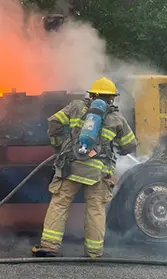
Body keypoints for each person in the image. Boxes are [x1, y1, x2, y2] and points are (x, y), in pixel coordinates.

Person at [31, 77, 138, 258]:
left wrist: (58, 145)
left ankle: (49, 246)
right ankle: (94, 251)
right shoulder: (117, 119)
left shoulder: (76, 107)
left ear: (92, 95)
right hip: (98, 173)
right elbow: (130, 145)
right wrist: (114, 147)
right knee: (96, 209)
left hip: (71, 166)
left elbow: (54, 122)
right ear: (112, 98)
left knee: (60, 203)